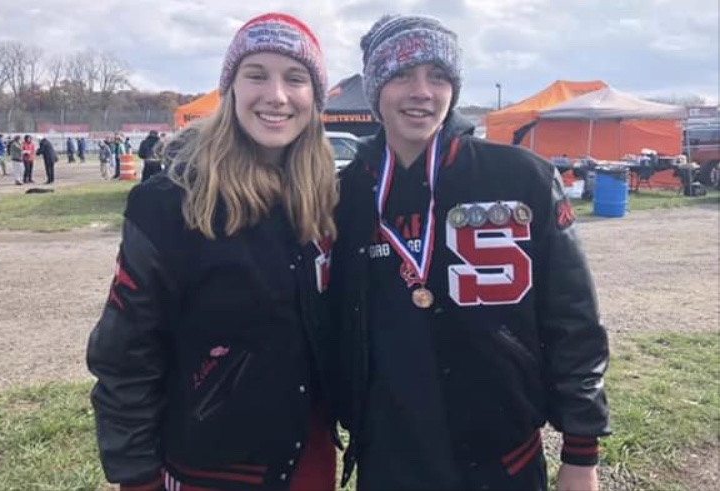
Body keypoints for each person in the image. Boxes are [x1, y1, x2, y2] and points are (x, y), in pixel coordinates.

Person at [329, 14, 610, 491]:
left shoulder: (522, 178)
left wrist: (581, 454)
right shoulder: (344, 193)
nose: (422, 91)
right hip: (389, 456)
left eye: (438, 77)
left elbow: (574, 319)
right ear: (375, 87)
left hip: (503, 457)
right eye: (402, 75)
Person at [87, 12, 339, 491]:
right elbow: (125, 355)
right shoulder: (170, 202)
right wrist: (136, 476)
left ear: (315, 97)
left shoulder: (325, 199)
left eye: (296, 78)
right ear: (230, 90)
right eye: (256, 74)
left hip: (309, 463)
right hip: (209, 466)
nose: (277, 95)